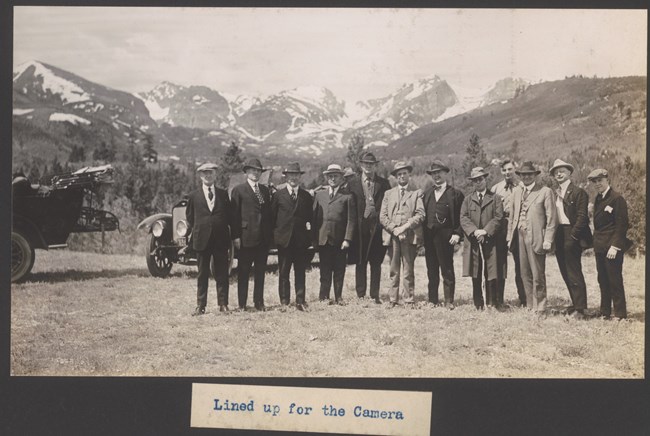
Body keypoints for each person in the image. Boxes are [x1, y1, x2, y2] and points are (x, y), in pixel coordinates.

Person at [507, 161, 557, 313]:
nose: (526, 177)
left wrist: (548, 239)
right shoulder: (516, 192)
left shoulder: (545, 191)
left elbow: (552, 218)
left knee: (538, 274)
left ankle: (540, 306)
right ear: (520, 176)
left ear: (535, 175)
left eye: (529, 174)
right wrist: (510, 237)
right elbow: (511, 217)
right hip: (519, 236)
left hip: (536, 237)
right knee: (524, 273)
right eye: (523, 175)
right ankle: (530, 305)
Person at [186, 163, 232, 316]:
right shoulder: (193, 196)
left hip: (220, 239)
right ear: (200, 176)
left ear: (215, 175)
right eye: (205, 173)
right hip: (202, 240)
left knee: (222, 273)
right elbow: (190, 218)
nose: (208, 175)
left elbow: (228, 216)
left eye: (211, 173)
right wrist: (202, 228)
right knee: (202, 273)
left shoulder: (223, 194)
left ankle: (223, 303)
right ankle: (201, 305)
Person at [549, 159, 593, 319]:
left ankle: (581, 309)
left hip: (572, 233)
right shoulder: (555, 193)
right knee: (564, 270)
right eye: (556, 172)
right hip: (559, 232)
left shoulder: (578, 192)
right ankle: (575, 304)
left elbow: (582, 217)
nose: (558, 174)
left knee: (573, 271)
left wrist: (573, 236)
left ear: (569, 173)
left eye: (562, 170)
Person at [379, 161, 425, 307]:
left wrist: (405, 227)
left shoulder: (416, 193)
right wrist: (395, 230)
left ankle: (409, 299)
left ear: (409, 175)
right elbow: (383, 216)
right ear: (395, 177)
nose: (402, 176)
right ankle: (393, 299)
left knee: (408, 269)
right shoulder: (388, 194)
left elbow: (420, 214)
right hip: (392, 237)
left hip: (409, 236)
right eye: (399, 174)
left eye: (404, 173)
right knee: (394, 269)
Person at [588, 169, 632, 320]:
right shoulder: (598, 199)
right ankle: (605, 311)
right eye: (594, 181)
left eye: (600, 180)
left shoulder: (617, 198)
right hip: (600, 246)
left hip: (612, 246)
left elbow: (622, 225)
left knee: (614, 279)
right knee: (603, 279)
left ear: (607, 179)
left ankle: (620, 314)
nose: (597, 184)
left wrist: (615, 246)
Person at [230, 158, 273, 311]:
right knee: (243, 272)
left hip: (262, 239)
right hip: (246, 238)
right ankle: (242, 304)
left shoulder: (264, 191)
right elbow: (234, 216)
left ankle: (259, 302)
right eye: (252, 170)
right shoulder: (238, 190)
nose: (256, 173)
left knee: (260, 272)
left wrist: (269, 237)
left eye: (258, 170)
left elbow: (267, 214)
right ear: (246, 172)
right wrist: (235, 237)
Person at [348, 152, 391, 303]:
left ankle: (374, 295)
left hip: (377, 228)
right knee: (360, 261)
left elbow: (388, 206)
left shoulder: (384, 184)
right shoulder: (352, 183)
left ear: (375, 166)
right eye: (366, 164)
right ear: (361, 165)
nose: (368, 166)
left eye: (371, 164)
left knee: (376, 262)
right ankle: (361, 294)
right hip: (359, 230)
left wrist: (380, 221)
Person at [460, 167, 505, 310]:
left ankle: (491, 302)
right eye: (475, 180)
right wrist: (474, 231)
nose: (478, 182)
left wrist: (485, 231)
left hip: (491, 241)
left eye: (480, 179)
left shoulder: (495, 198)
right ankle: (478, 303)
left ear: (485, 180)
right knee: (475, 272)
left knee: (491, 272)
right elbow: (463, 217)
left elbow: (499, 218)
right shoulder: (468, 199)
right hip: (473, 241)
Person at [270, 162, 313, 311]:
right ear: (286, 177)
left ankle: (300, 300)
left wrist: (308, 238)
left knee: (300, 271)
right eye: (290, 175)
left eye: (296, 175)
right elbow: (272, 218)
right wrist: (276, 237)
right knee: (283, 272)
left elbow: (310, 219)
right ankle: (284, 301)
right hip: (284, 241)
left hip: (300, 241)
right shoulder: (278, 196)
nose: (293, 178)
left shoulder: (306, 196)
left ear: (299, 177)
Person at [422, 160, 464, 309]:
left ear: (445, 173)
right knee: (431, 269)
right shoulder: (426, 194)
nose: (436, 176)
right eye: (434, 173)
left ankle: (448, 301)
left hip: (446, 238)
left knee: (447, 269)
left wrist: (457, 233)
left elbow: (461, 217)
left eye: (439, 172)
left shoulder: (455, 194)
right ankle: (433, 300)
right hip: (429, 238)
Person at [312, 164, 356, 305]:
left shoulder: (347, 197)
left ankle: (338, 297)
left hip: (339, 241)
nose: (332, 179)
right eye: (330, 176)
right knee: (324, 271)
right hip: (323, 239)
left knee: (339, 270)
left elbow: (351, 220)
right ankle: (323, 297)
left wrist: (347, 239)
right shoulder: (320, 195)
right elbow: (314, 218)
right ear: (326, 178)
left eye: (335, 176)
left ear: (341, 178)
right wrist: (314, 239)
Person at [492, 159, 525, 306]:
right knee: (500, 263)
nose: (507, 172)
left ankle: (524, 298)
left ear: (515, 169)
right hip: (500, 226)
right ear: (501, 172)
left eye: (510, 169)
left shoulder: (522, 187)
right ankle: (499, 299)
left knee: (521, 263)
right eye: (504, 170)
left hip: (517, 226)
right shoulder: (496, 189)